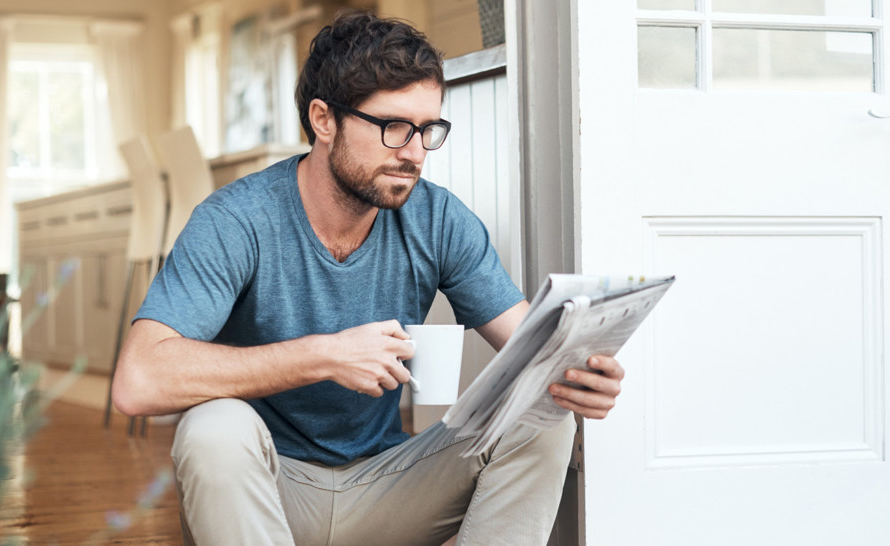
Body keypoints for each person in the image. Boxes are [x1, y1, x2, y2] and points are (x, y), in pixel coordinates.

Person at [112, 11, 624, 546]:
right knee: (212, 429)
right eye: (394, 127)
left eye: (429, 130)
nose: (414, 152)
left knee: (541, 418)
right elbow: (139, 379)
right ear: (323, 120)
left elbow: (531, 343)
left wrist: (578, 373)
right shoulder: (236, 221)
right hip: (266, 493)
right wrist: (323, 355)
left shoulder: (438, 218)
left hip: (385, 487)